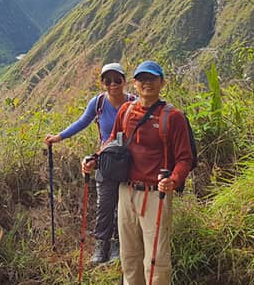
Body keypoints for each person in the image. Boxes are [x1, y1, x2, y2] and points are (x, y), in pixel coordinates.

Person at [82, 60, 193, 285]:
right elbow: (113, 142)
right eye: (142, 79)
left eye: (152, 79)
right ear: (134, 84)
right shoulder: (127, 110)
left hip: (156, 194)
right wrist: (95, 159)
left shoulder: (173, 117)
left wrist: (174, 179)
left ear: (162, 82)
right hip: (127, 190)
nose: (147, 83)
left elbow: (185, 158)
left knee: (156, 259)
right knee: (129, 256)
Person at [44, 62, 136, 265]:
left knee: (123, 208)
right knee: (104, 206)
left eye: (117, 80)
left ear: (124, 81)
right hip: (106, 161)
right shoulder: (98, 103)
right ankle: (100, 247)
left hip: (130, 163)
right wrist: (59, 137)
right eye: (107, 80)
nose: (113, 84)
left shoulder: (134, 103)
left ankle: (116, 246)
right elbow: (82, 122)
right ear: (102, 82)